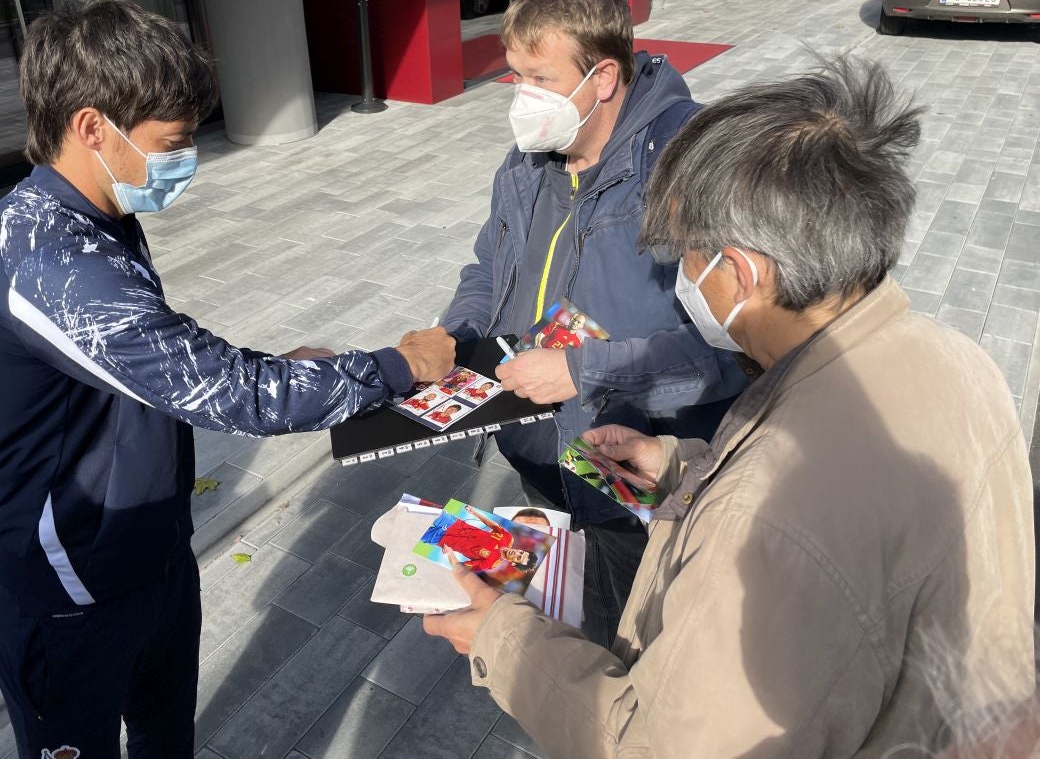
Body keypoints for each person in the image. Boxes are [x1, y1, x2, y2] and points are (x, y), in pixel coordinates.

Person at [425, 56, 1035, 756]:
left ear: (740, 271)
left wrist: (497, 635)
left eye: (686, 258)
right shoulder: (961, 359)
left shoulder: (769, 516)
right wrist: (683, 466)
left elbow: (658, 745)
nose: (682, 278)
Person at [0, 0, 453, 758]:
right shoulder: (51, 262)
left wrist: (275, 367)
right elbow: (230, 393)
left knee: (165, 740)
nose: (185, 160)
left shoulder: (99, 215)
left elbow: (161, 361)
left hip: (149, 556)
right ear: (93, 128)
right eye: (172, 142)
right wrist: (398, 367)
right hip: (68, 598)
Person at [441, 0, 750, 647]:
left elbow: (735, 349)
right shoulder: (528, 161)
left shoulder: (687, 167)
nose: (522, 98)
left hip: (632, 472)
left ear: (603, 78)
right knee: (559, 623)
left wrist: (584, 374)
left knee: (627, 645)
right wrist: (452, 336)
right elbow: (489, 266)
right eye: (515, 76)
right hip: (539, 458)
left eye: (540, 79)